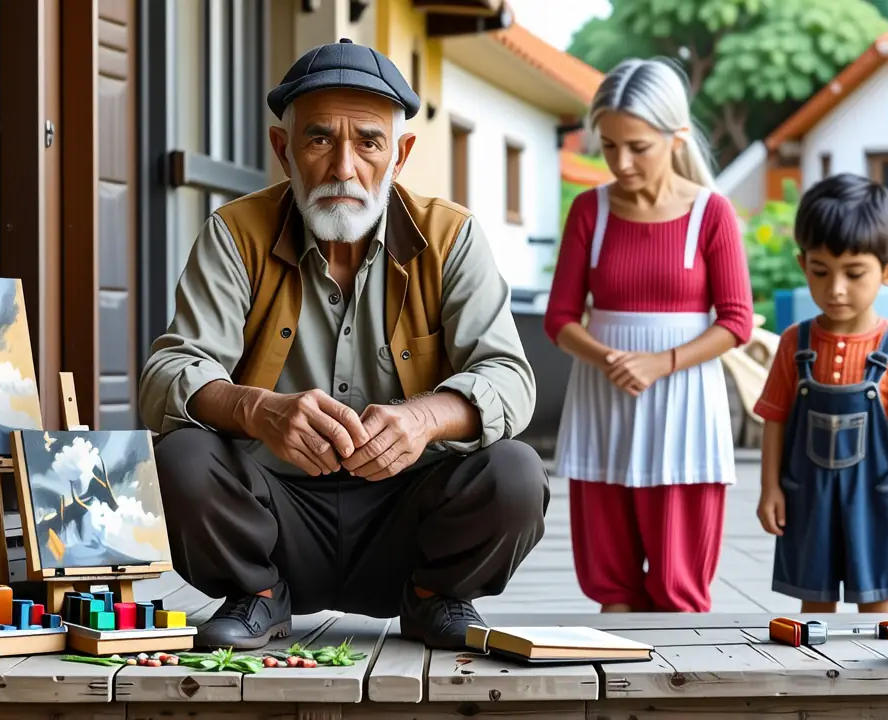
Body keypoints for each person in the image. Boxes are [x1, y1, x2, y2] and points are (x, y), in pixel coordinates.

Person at [138, 38, 548, 651]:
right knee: (181, 460)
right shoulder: (233, 233)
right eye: (319, 139)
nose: (343, 167)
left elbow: (511, 377)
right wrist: (260, 409)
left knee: (515, 474)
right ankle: (258, 595)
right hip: (271, 517)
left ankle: (435, 597)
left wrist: (424, 417)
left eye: (369, 142)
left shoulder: (451, 236)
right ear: (284, 149)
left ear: (401, 153)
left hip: (410, 523)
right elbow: (166, 372)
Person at [543, 58, 754, 613]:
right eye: (609, 145)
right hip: (602, 401)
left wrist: (660, 363)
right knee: (611, 587)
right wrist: (611, 357)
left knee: (678, 593)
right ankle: (612, 693)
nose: (620, 161)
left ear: (676, 136)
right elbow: (559, 318)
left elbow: (736, 320)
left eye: (637, 146)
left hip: (686, 404)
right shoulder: (590, 210)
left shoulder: (713, 213)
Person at [754, 173, 888, 613]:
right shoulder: (794, 343)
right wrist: (769, 489)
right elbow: (775, 418)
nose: (835, 289)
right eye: (820, 271)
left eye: (854, 274)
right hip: (808, 495)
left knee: (878, 600)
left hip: (876, 498)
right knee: (812, 601)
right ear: (803, 265)